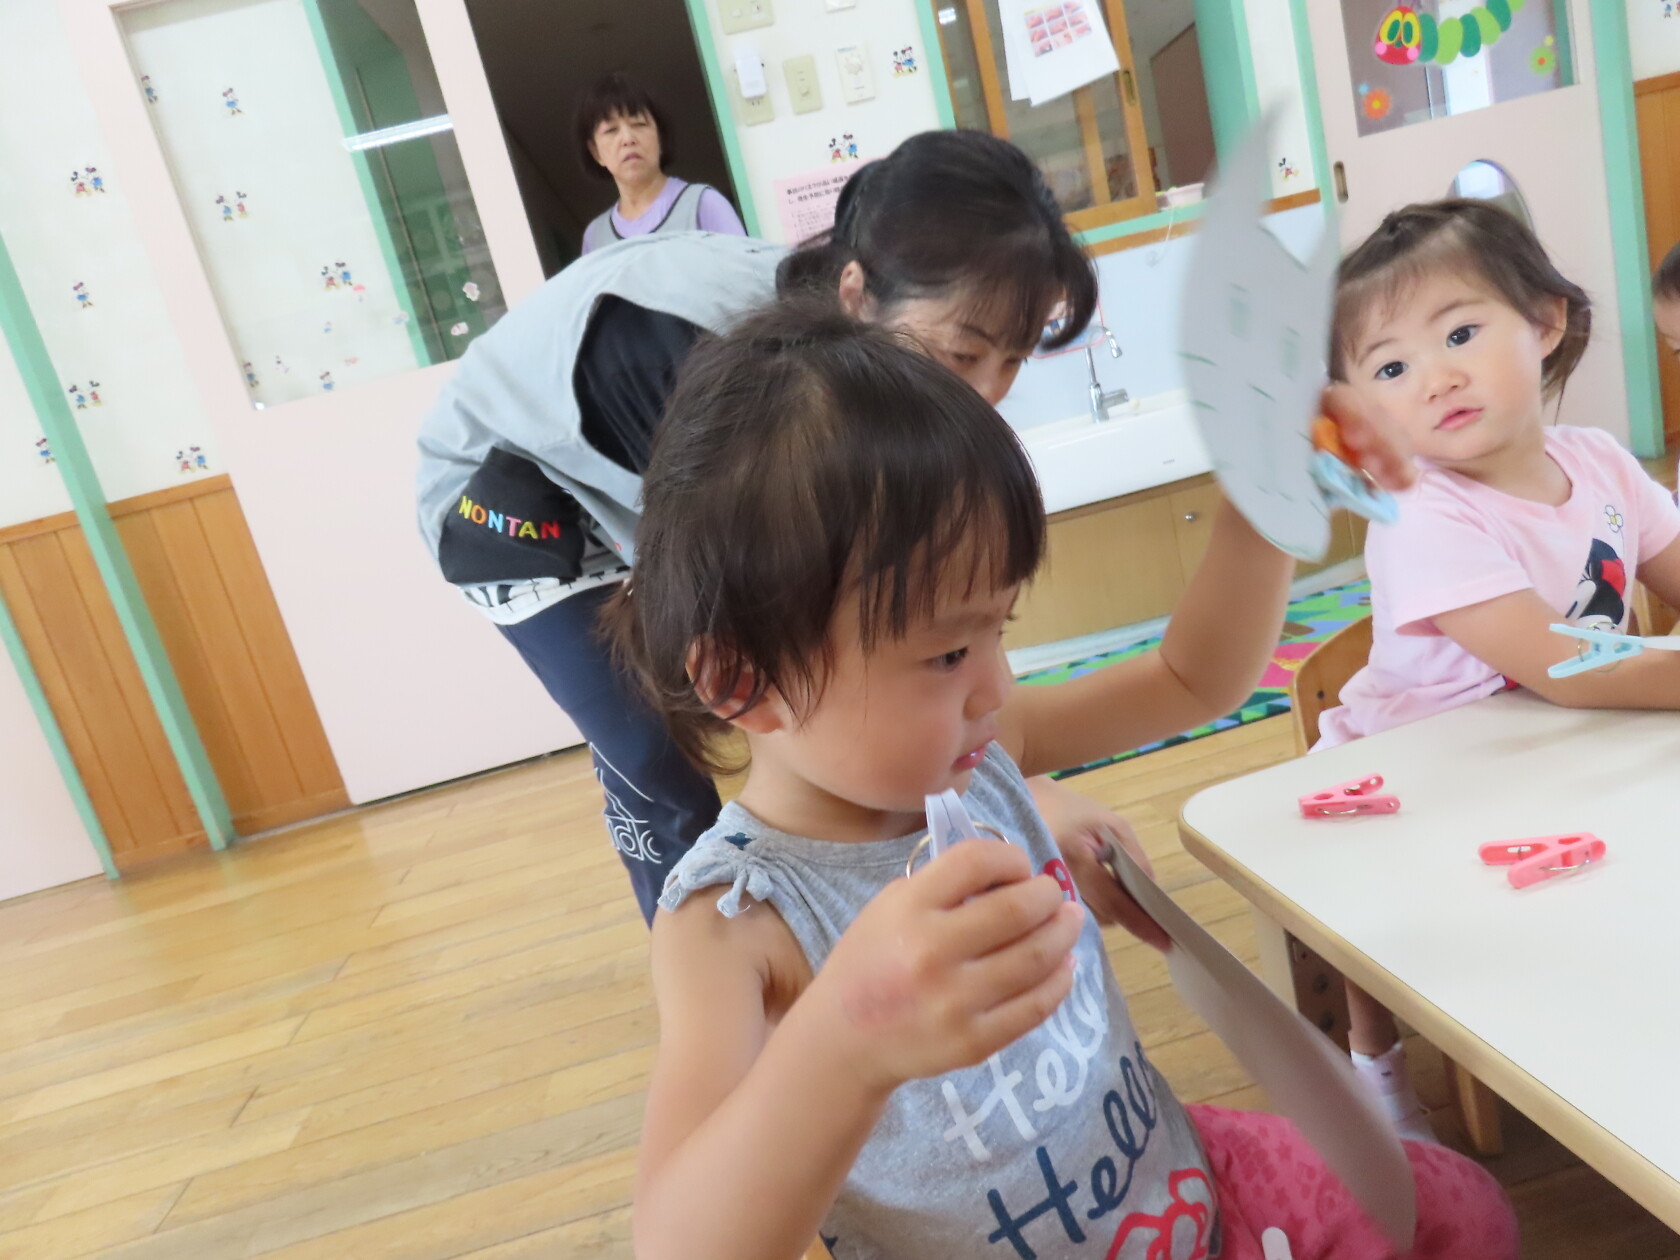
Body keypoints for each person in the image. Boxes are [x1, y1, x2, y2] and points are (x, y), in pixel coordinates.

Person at [611, 302, 1511, 1260]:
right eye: (948, 653)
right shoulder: (732, 921)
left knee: (1461, 1214)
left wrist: (1264, 506)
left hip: (1184, 1185)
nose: (996, 687)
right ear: (743, 682)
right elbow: (681, 1247)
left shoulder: (979, 753)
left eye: (998, 630)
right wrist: (846, 1040)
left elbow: (1190, 680)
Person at [418, 130, 1146, 926]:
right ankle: (708, 948)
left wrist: (1009, 791)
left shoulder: (849, 350)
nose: (984, 395)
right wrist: (1021, 796)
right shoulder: (708, 369)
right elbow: (748, 617)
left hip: (621, 462)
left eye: (1012, 362)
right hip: (503, 497)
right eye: (962, 356)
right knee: (657, 751)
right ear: (857, 293)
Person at [1314, 200, 1680, 1139]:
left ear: (1546, 320)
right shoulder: (1424, 513)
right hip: (1418, 773)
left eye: (1460, 334)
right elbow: (1564, 663)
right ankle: (1374, 1061)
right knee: (1370, 903)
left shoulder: (1602, 465)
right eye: (1390, 368)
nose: (1436, 378)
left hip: (1567, 744)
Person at [575, 71, 745, 253]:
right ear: (595, 152)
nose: (628, 139)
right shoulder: (595, 237)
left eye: (639, 124)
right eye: (611, 130)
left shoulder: (703, 204)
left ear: (660, 137)